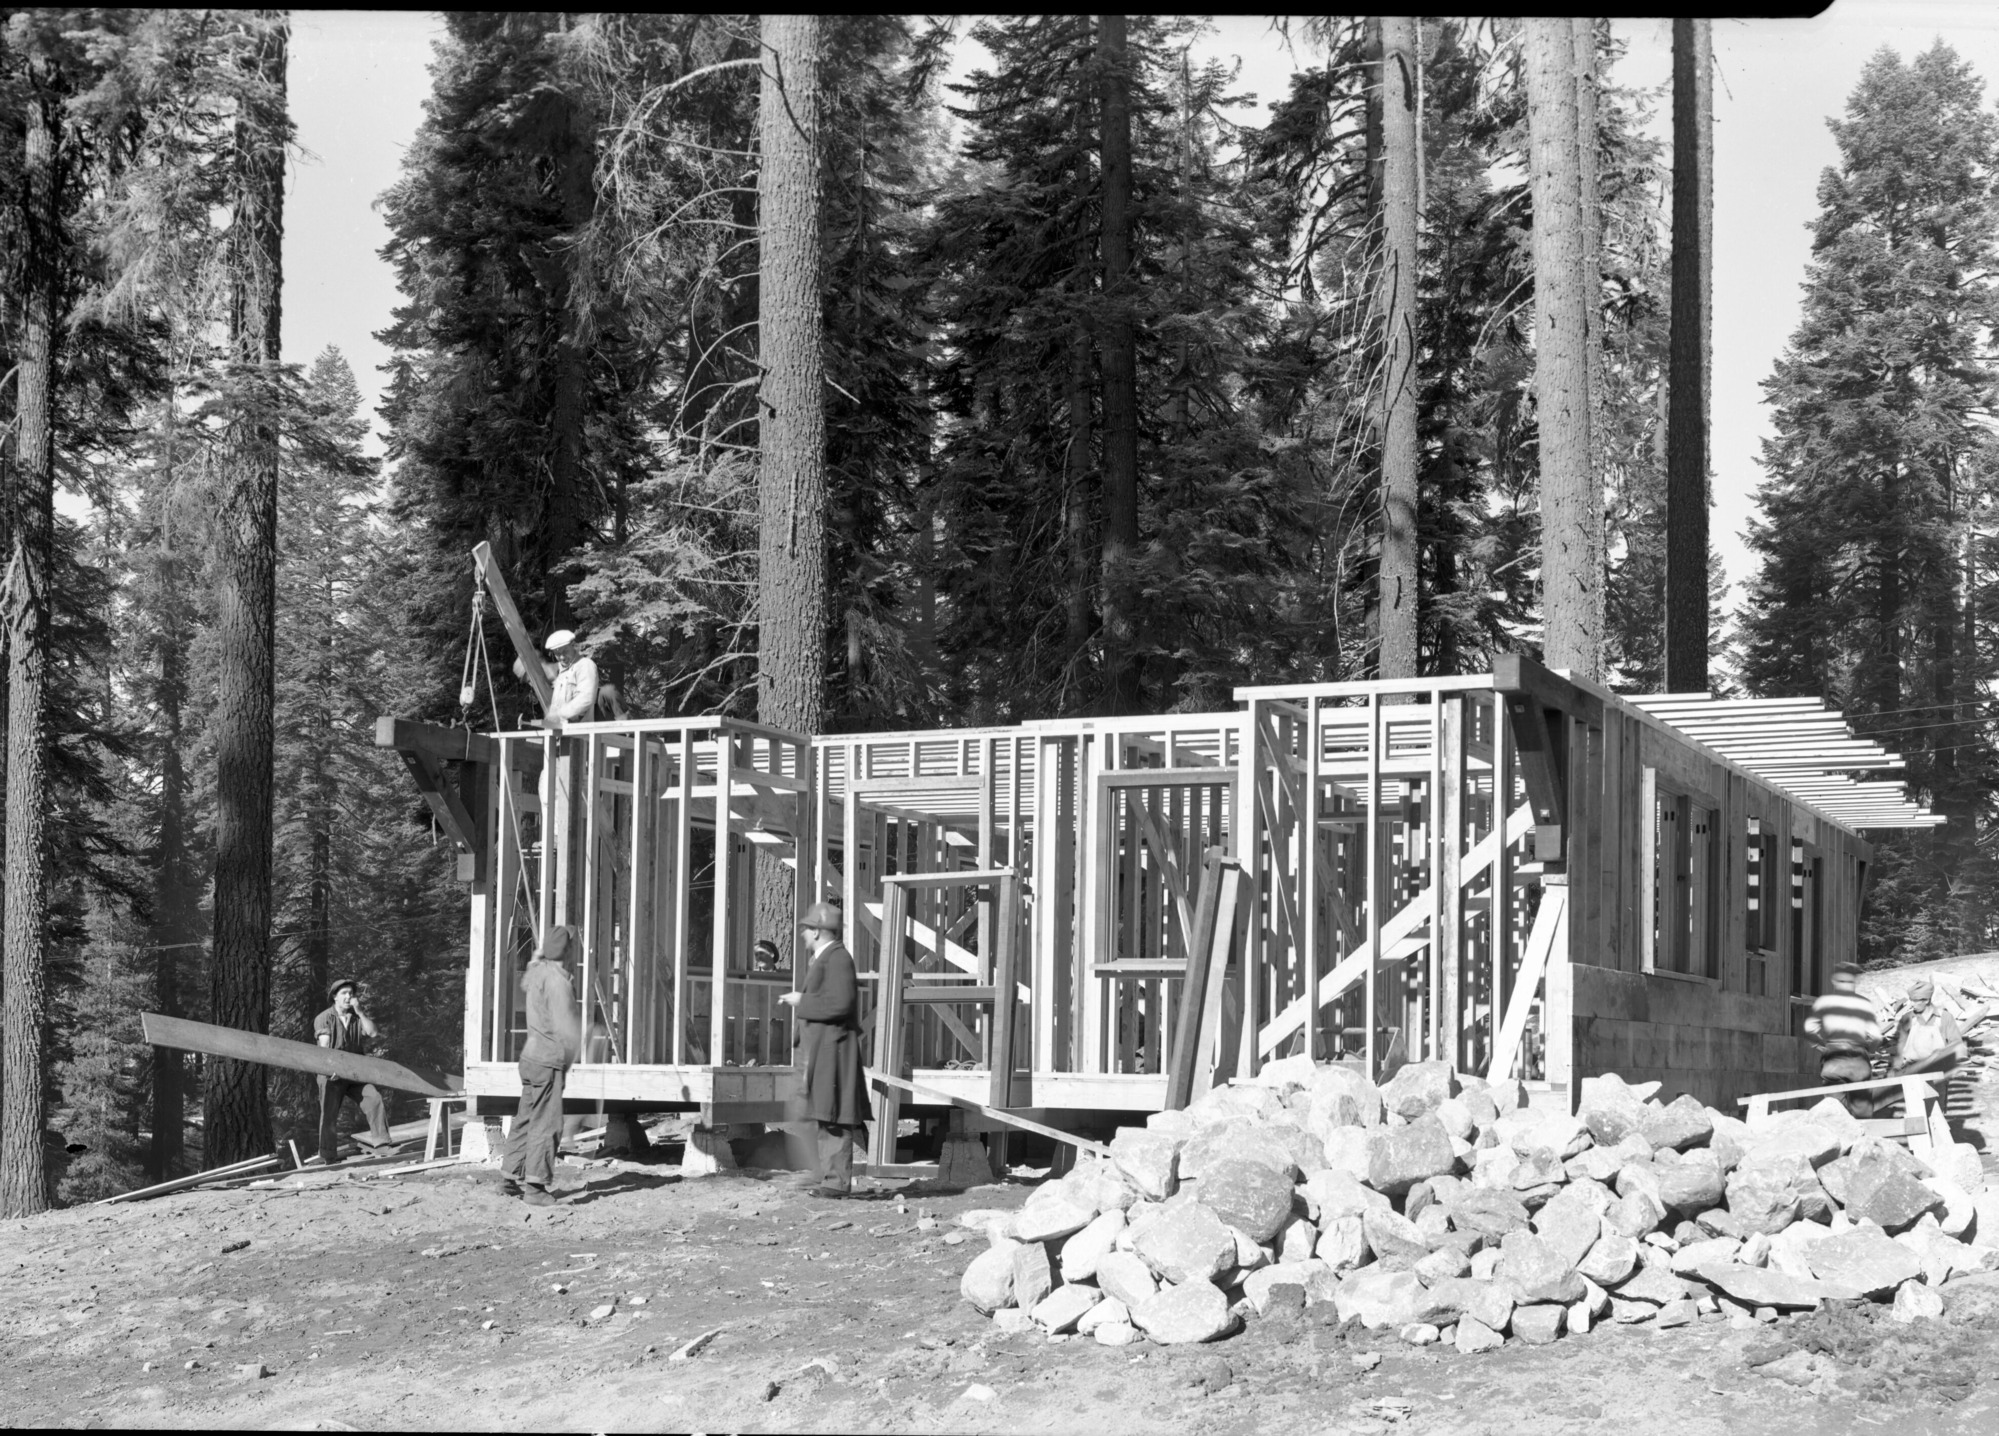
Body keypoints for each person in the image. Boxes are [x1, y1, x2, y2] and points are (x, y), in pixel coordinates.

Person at [780, 902, 871, 1199]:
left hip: (832, 1052)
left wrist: (800, 1001)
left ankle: (835, 1182)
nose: (803, 935)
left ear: (818, 931)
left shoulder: (838, 959)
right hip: (820, 1050)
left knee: (832, 1116)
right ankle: (821, 1174)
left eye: (806, 929)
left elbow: (840, 1003)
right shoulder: (827, 958)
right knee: (815, 1112)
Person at [501, 925, 583, 1206]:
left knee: (525, 1118)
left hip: (529, 1059)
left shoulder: (536, 972)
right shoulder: (559, 983)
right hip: (548, 1059)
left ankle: (509, 1176)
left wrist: (544, 950)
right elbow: (567, 1030)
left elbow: (533, 965)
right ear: (568, 950)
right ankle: (535, 1188)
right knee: (547, 1123)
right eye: (574, 945)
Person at [314, 979, 395, 1164]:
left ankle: (382, 1145)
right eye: (344, 993)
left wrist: (359, 1011)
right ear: (334, 997)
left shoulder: (357, 1017)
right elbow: (323, 1047)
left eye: (351, 993)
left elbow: (373, 1033)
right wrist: (328, 1070)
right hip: (331, 1073)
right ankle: (328, 1155)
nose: (348, 996)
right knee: (329, 1112)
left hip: (356, 1073)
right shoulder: (324, 1017)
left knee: (373, 1099)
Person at [1804, 961, 1885, 1118]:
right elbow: (1876, 1036)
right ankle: (1865, 1139)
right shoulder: (1863, 1003)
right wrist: (1869, 1050)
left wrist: (1822, 1047)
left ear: (1834, 981)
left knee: (1834, 1111)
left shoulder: (1823, 1002)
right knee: (1862, 1108)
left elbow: (1810, 1029)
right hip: (1859, 1060)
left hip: (1833, 1059)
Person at [1890, 977, 1967, 1077]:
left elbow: (1956, 1043)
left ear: (1926, 1000)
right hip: (1912, 1070)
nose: (1911, 1004)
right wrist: (1896, 1068)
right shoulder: (1908, 1018)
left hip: (1939, 1070)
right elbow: (1900, 1046)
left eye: (1915, 1001)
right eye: (1911, 1000)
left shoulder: (1944, 1017)